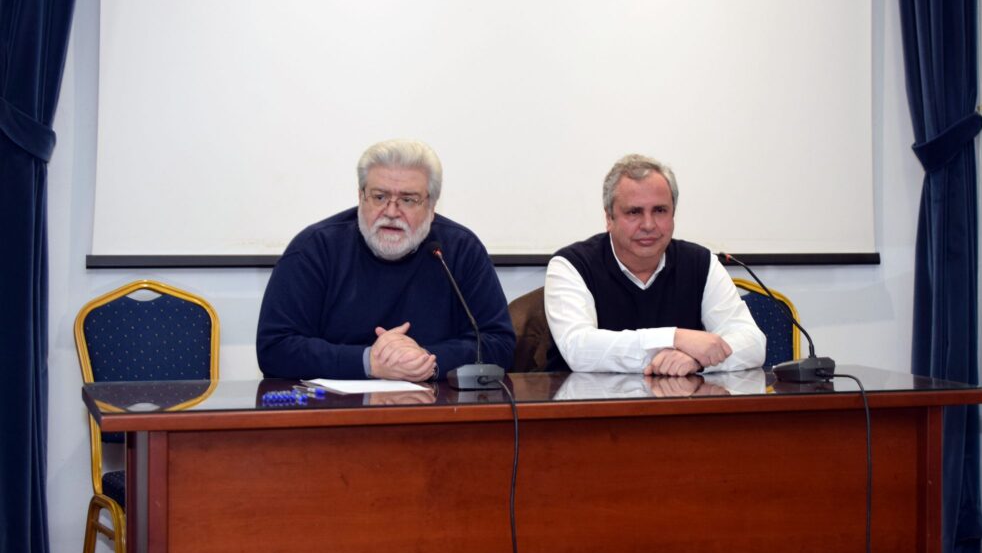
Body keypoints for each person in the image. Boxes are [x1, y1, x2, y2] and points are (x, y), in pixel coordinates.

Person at [257, 139, 514, 381]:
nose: (391, 212)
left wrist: (425, 359)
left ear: (432, 206)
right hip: (335, 409)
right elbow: (275, 348)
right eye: (379, 197)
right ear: (361, 196)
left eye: (408, 200)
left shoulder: (460, 250)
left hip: (437, 408)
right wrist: (369, 362)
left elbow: (499, 344)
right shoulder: (315, 248)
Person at [544, 154, 766, 376]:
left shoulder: (701, 263)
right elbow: (579, 349)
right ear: (609, 218)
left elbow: (753, 343)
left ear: (673, 214)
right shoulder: (571, 265)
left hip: (679, 397)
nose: (649, 225)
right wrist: (675, 338)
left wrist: (697, 360)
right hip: (589, 397)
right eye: (634, 212)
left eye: (660, 211)